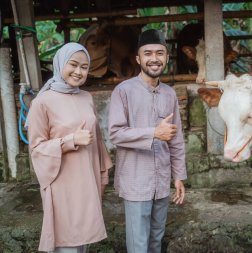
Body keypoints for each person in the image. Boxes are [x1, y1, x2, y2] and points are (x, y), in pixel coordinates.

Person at [27, 42, 112, 253]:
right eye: (73, 64)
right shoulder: (42, 102)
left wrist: (103, 172)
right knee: (67, 243)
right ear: (60, 64)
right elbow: (36, 149)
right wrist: (70, 141)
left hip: (88, 180)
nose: (78, 71)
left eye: (84, 67)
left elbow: (97, 138)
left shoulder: (86, 97)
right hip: (63, 184)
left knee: (83, 244)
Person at [108, 29, 187, 253]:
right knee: (138, 245)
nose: (154, 58)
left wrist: (179, 175)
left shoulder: (169, 94)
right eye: (148, 53)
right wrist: (153, 133)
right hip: (136, 180)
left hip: (161, 181)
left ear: (167, 57)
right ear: (138, 59)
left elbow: (176, 138)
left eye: (160, 53)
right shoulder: (123, 91)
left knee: (156, 240)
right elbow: (115, 134)